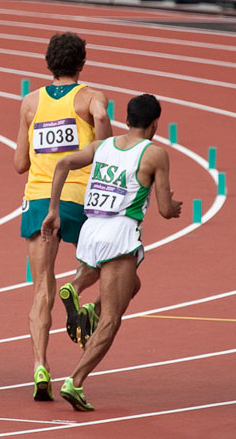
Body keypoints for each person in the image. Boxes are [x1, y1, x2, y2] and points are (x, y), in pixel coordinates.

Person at [41, 94, 182, 411]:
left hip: (92, 229)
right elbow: (163, 208)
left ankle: (77, 290)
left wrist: (54, 210)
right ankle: (74, 382)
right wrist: (172, 208)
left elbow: (63, 163)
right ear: (155, 124)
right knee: (112, 320)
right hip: (119, 233)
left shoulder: (102, 146)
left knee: (133, 285)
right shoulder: (154, 154)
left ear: (128, 119)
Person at [13, 32, 111, 402]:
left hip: (39, 199)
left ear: (48, 63)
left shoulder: (30, 103)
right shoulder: (91, 98)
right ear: (82, 63)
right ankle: (79, 290)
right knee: (116, 262)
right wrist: (100, 131)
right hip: (83, 198)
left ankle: (40, 364)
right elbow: (102, 125)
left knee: (41, 288)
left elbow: (20, 163)